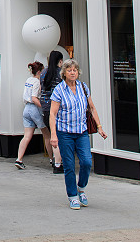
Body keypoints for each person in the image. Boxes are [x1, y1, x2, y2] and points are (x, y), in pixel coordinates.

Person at [48, 59, 107, 210]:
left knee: (87, 162)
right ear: (64, 73)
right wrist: (53, 135)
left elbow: (92, 108)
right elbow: (53, 114)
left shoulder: (83, 87)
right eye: (69, 70)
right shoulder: (59, 90)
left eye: (74, 70)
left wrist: (99, 127)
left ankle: (81, 188)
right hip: (65, 133)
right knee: (69, 166)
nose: (72, 72)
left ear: (78, 72)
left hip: (81, 132)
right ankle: (73, 196)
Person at [14, 61, 46, 170]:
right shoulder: (37, 82)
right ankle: (53, 159)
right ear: (39, 71)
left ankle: (19, 159)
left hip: (26, 109)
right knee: (47, 134)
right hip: (34, 108)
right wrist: (43, 107)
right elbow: (34, 98)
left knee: (26, 136)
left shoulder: (28, 80)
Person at [40, 50, 64, 174]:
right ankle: (59, 164)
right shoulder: (60, 74)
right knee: (59, 137)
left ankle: (55, 161)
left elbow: (41, 90)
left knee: (52, 136)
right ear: (60, 61)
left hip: (45, 109)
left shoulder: (43, 72)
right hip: (57, 110)